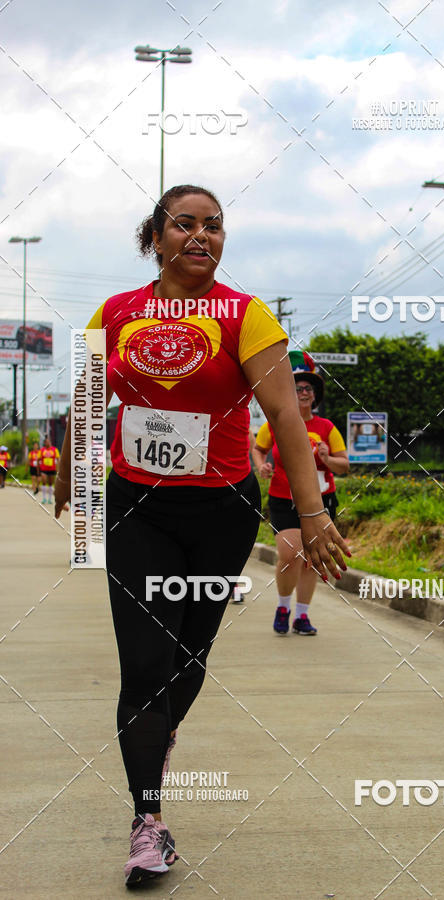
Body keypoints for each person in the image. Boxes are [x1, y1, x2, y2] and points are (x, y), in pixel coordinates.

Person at [54, 184, 350, 888]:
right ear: (154, 238)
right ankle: (148, 822)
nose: (200, 236)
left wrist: (311, 515)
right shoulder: (115, 313)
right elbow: (90, 400)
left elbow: (284, 419)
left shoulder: (244, 316)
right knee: (146, 665)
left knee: (188, 661)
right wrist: (72, 473)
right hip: (138, 511)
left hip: (220, 514)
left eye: (213, 227)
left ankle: (159, 727)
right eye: (183, 225)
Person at [252, 350, 350, 636]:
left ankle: (302, 615)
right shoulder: (275, 423)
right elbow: (258, 449)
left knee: (313, 559)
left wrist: (327, 458)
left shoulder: (327, 428)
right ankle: (283, 606)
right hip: (283, 497)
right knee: (289, 553)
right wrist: (262, 466)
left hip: (322, 499)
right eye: (296, 388)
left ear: (315, 395)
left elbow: (343, 466)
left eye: (308, 388)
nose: (303, 393)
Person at [39, 436, 60, 504]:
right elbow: (38, 459)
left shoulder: (54, 450)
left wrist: (58, 469)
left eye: (48, 441)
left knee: (51, 484)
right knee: (44, 482)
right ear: (44, 443)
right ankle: (44, 498)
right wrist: (38, 470)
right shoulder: (42, 450)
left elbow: (58, 459)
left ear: (50, 442)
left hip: (52, 469)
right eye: (46, 442)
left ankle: (50, 499)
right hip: (43, 469)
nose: (47, 443)